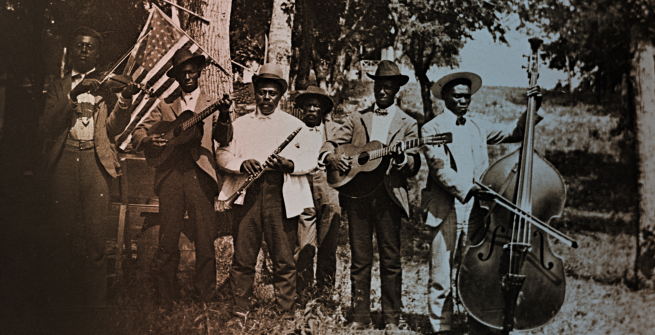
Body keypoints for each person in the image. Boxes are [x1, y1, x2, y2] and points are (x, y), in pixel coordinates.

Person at [420, 72, 543, 334]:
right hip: (446, 209)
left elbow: (515, 132)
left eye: (467, 96)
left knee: (475, 270)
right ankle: (441, 327)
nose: (464, 101)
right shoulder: (431, 128)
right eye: (458, 96)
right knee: (441, 275)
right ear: (445, 98)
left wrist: (532, 108)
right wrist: (470, 189)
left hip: (478, 211)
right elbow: (440, 170)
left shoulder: (478, 125)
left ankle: (475, 321)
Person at [40, 26, 139, 308]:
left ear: (98, 53)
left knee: (97, 239)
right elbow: (47, 126)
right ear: (72, 50)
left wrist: (125, 99)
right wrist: (74, 94)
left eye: (90, 47)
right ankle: (58, 303)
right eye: (79, 45)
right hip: (64, 162)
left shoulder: (106, 85)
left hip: (96, 163)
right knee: (62, 236)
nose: (84, 50)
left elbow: (113, 129)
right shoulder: (58, 84)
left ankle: (96, 305)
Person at [319, 60, 421, 331]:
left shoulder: (408, 123)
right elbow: (331, 142)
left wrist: (402, 159)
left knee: (391, 260)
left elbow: (413, 163)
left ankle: (391, 319)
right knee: (360, 258)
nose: (383, 91)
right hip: (358, 197)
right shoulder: (358, 117)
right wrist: (331, 157)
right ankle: (360, 316)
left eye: (388, 87)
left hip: (389, 196)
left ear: (396, 90)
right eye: (379, 86)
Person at [131, 48, 232, 308]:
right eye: (182, 73)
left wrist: (223, 114)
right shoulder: (166, 104)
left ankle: (204, 299)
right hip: (171, 176)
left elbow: (224, 138)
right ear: (176, 76)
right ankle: (165, 298)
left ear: (199, 72)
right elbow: (139, 131)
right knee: (168, 239)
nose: (187, 76)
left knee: (205, 238)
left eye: (191, 71)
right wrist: (148, 139)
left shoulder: (211, 103)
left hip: (200, 176)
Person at [216, 64, 316, 319]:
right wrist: (241, 164)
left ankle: (284, 310)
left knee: (283, 256)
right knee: (244, 254)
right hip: (248, 193)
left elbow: (311, 158)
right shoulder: (241, 123)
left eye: (272, 93)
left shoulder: (295, 125)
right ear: (256, 93)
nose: (266, 98)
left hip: (280, 194)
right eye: (262, 92)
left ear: (280, 94)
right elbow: (222, 153)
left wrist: (289, 164)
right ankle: (240, 308)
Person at [294, 86, 342, 300]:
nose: (312, 109)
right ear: (302, 108)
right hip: (302, 186)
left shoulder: (336, 130)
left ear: (323, 109)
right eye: (308, 105)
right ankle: (303, 293)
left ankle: (325, 295)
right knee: (304, 244)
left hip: (329, 186)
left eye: (316, 105)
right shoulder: (295, 129)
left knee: (328, 244)